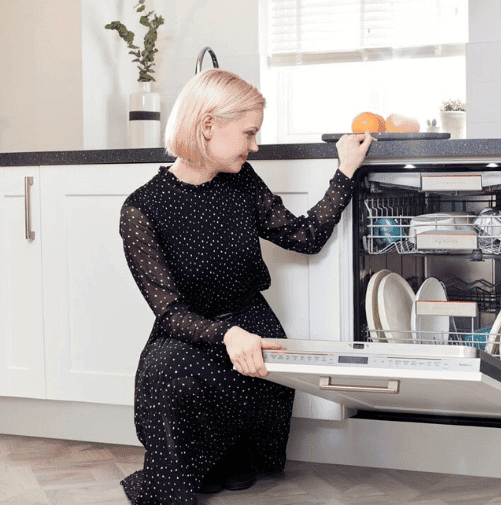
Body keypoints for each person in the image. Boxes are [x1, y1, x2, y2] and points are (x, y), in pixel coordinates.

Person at [118, 68, 375, 504]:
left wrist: (345, 172)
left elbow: (304, 237)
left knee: (259, 355)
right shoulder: (141, 209)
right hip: (191, 330)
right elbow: (170, 312)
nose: (255, 145)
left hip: (251, 321)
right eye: (249, 132)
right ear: (207, 126)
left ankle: (231, 454)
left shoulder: (242, 180)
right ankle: (197, 465)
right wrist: (226, 335)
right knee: (166, 373)